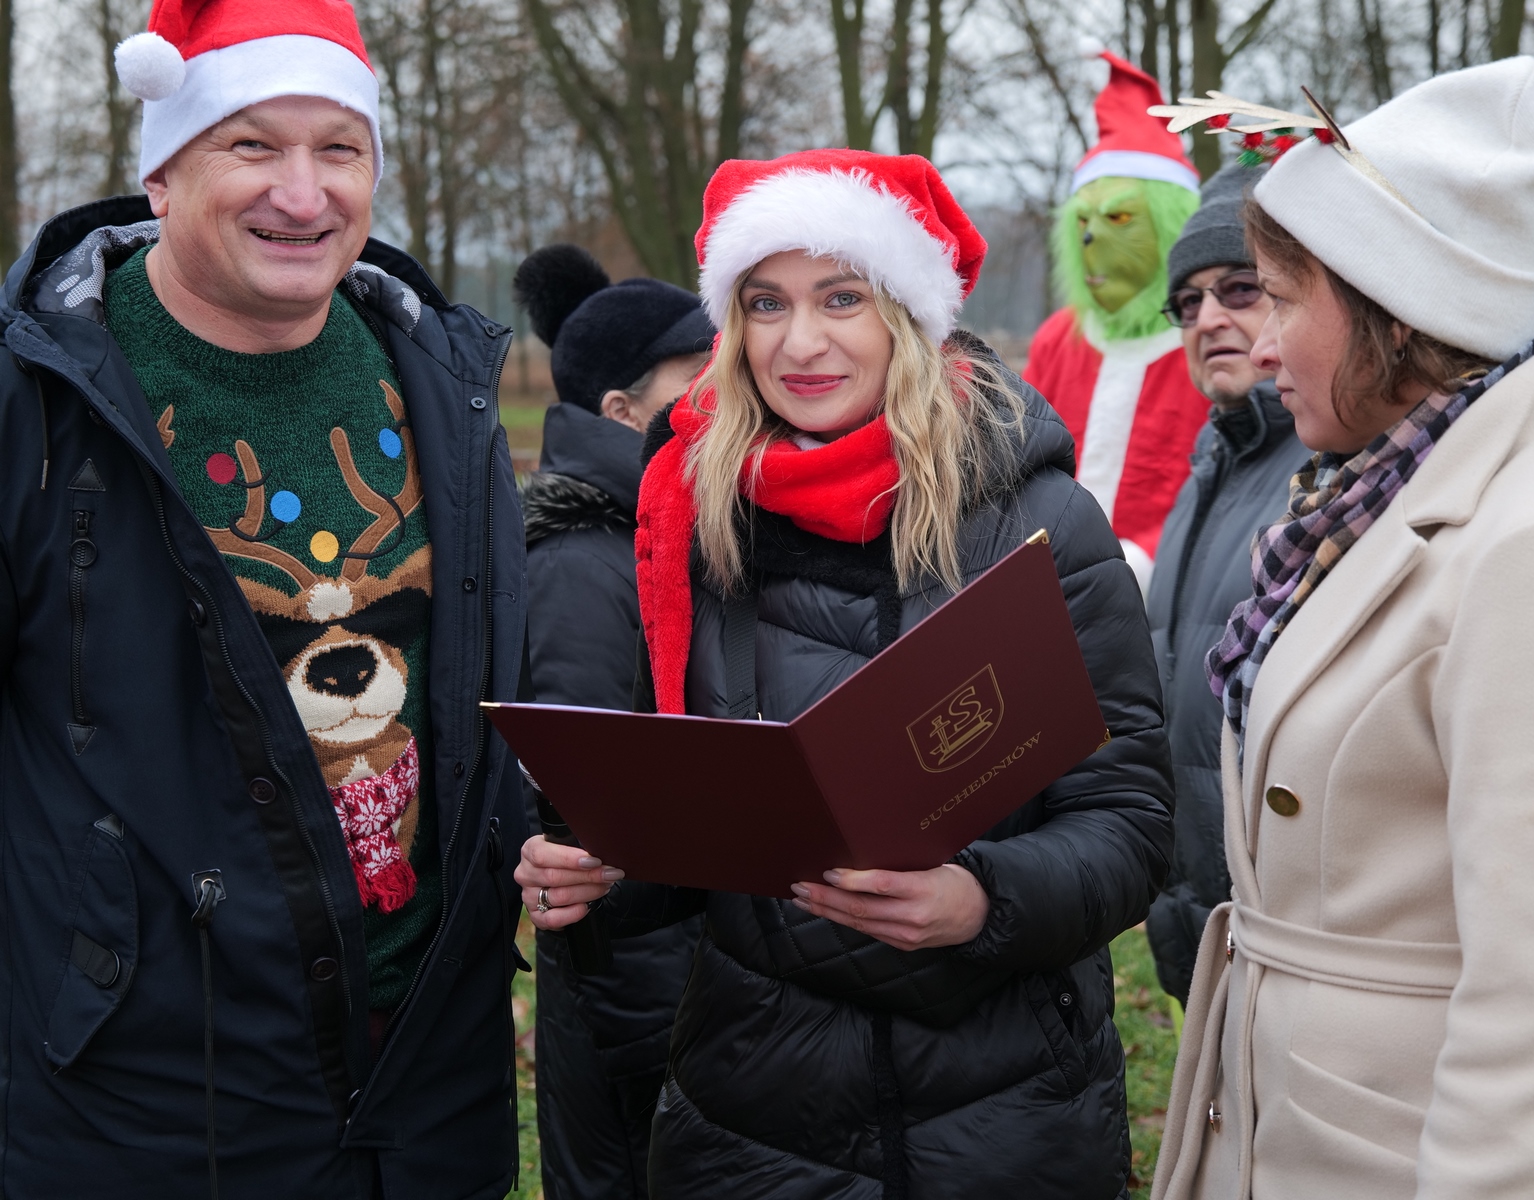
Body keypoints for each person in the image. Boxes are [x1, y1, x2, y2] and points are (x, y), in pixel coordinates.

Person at [516, 148, 1174, 1198]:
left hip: (1005, 1110)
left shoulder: (1038, 520)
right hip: (752, 1113)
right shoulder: (696, 517)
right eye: (766, 303)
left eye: (840, 298)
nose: (800, 342)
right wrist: (606, 864)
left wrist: (983, 899)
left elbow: (1130, 820)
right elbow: (694, 817)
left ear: (905, 314)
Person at [0, 0, 527, 1194]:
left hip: (433, 1083)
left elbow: (486, 688)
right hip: (148, 1096)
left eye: (339, 148)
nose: (303, 192)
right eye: (252, 145)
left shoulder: (446, 382)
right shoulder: (40, 398)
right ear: (162, 175)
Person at [1153, 58, 1534, 1200]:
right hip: (1283, 1121)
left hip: (1394, 1152)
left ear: (1395, 312)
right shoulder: (1361, 498)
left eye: (1279, 297)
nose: (1256, 346)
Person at [513, 243, 711, 1200]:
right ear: (624, 412)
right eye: (699, 375)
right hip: (637, 1008)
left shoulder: (670, 529)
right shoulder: (584, 563)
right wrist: (652, 1029)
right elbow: (586, 815)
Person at [1143, 164, 1307, 1010]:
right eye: (1187, 301)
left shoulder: (1336, 476)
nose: (1208, 318)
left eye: (1240, 288)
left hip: (1291, 942)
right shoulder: (1214, 462)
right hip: (1201, 931)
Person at [1023, 49, 1209, 591]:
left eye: (1120, 217)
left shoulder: (1208, 343)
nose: (1091, 238)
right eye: (1082, 219)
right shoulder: (1060, 339)